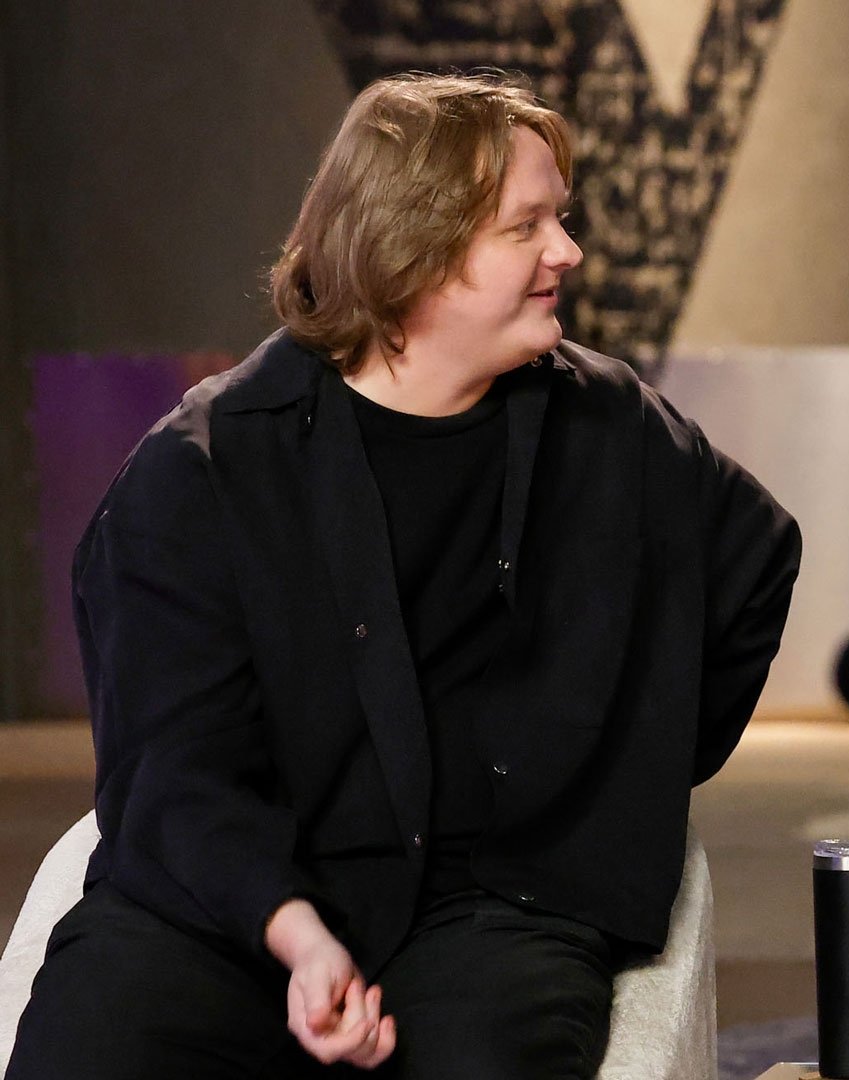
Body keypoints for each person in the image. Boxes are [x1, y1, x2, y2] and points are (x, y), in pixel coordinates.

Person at [8, 72, 800, 1078]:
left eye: (560, 219)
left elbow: (752, 565)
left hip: (494, 905)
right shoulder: (205, 468)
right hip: (244, 900)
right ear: (411, 254)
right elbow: (173, 768)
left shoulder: (611, 426)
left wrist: (609, 786)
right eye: (526, 227)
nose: (567, 251)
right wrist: (296, 934)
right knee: (97, 1037)